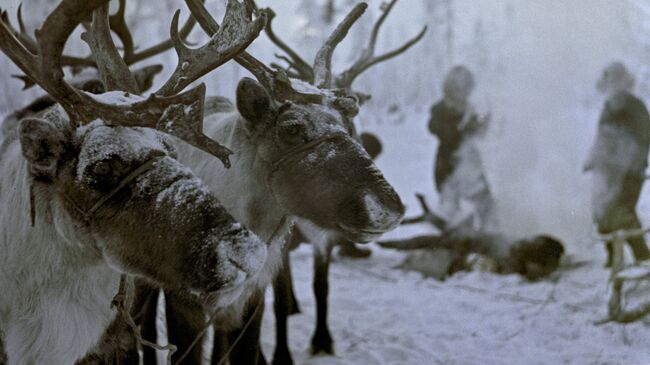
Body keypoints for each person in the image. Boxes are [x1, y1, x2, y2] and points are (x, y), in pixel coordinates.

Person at [584, 61, 650, 265]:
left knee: (621, 212)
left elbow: (643, 138)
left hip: (628, 171)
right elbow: (602, 135)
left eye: (615, 79)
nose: (611, 85)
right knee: (601, 212)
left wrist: (632, 163)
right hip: (606, 169)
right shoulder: (609, 106)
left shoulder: (634, 106)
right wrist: (592, 157)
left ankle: (643, 257)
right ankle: (613, 256)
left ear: (623, 80)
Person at [427, 65, 497, 232]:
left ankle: (489, 239)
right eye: (461, 88)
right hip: (449, 163)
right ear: (451, 89)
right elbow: (439, 131)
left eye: (467, 88)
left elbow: (477, 134)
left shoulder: (468, 108)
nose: (465, 93)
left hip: (470, 162)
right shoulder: (440, 110)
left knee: (486, 205)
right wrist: (463, 126)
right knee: (451, 210)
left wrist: (483, 124)